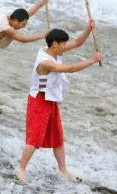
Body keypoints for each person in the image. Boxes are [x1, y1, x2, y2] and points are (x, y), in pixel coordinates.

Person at [15, 23, 102, 182]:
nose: (65, 47)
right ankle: (21, 168)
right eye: (63, 44)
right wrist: (92, 60)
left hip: (51, 100)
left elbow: (77, 43)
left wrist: (88, 29)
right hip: (39, 100)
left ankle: (63, 169)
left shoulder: (53, 50)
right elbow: (70, 69)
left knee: (58, 137)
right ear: (55, 44)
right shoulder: (45, 62)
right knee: (34, 139)